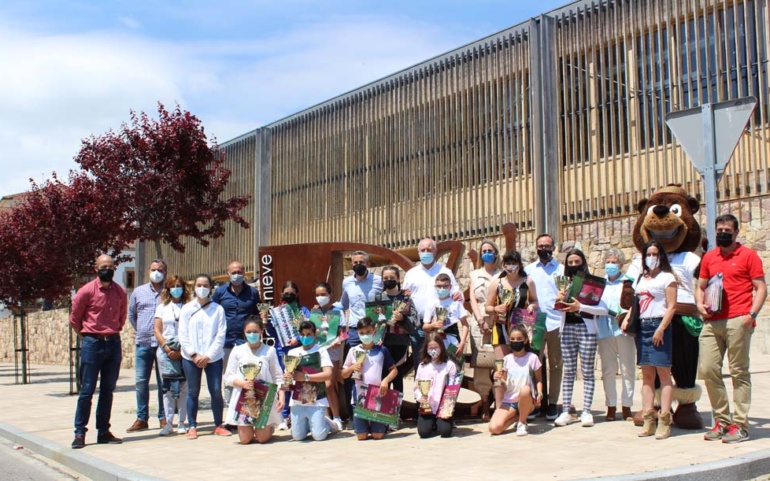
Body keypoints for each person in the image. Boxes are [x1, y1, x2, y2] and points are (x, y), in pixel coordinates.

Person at [696, 214, 767, 444]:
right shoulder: (709, 257)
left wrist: (751, 315)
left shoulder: (748, 256)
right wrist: (699, 304)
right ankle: (722, 421)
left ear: (736, 233)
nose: (722, 233)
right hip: (712, 321)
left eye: (727, 230)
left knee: (739, 372)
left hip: (738, 320)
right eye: (719, 230)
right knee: (708, 369)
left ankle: (741, 424)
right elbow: (701, 286)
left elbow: (761, 288)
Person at [70, 254, 127, 449]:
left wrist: (110, 333)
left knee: (107, 391)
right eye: (104, 266)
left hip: (113, 343)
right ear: (96, 268)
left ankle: (103, 431)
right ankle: (79, 433)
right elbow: (74, 319)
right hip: (92, 344)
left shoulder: (120, 292)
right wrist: (87, 337)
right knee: (86, 390)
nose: (107, 269)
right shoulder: (85, 291)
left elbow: (122, 317)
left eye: (110, 266)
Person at [622, 241, 677, 439]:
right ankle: (648, 419)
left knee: (663, 373)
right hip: (643, 326)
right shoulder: (641, 278)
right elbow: (636, 303)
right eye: (649, 254)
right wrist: (628, 317)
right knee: (646, 375)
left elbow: (671, 306)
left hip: (659, 324)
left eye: (655, 253)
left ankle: (664, 419)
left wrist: (661, 328)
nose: (652, 257)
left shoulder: (667, 278)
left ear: (661, 256)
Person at [554, 248, 605, 428]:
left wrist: (580, 307)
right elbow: (556, 308)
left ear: (583, 262)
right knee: (568, 371)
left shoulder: (592, 283)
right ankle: (566, 410)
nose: (574, 265)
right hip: (567, 329)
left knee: (588, 371)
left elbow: (603, 309)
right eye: (571, 263)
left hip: (586, 329)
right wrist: (559, 301)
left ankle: (587, 411)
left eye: (577, 262)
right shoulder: (563, 283)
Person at [485, 250, 539, 412]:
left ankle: (525, 405)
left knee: (523, 368)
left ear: (520, 265)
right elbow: (487, 307)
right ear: (503, 265)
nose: (511, 267)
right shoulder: (497, 282)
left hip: (521, 330)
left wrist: (531, 306)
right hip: (501, 328)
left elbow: (535, 301)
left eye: (514, 263)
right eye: (508, 263)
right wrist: (495, 308)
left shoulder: (527, 281)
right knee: (501, 369)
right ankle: (500, 407)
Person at [178, 274, 230, 439]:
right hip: (190, 357)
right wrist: (194, 354)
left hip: (213, 358)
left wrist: (207, 356)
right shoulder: (187, 309)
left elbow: (220, 335)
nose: (202, 288)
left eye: (205, 285)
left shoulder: (218, 309)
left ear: (211, 287)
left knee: (215, 390)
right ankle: (192, 426)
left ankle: (218, 425)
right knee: (193, 391)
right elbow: (183, 334)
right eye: (199, 285)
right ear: (194, 288)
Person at [402, 238, 463, 373]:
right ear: (418, 252)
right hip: (419, 326)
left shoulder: (445, 271)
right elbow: (404, 298)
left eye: (429, 249)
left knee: (447, 364)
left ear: (435, 252)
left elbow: (457, 295)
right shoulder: (412, 274)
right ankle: (422, 393)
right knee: (422, 364)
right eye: (422, 250)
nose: (426, 252)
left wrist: (459, 295)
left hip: (444, 327)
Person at [224, 317, 284, 444]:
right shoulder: (237, 350)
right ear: (244, 333)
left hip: (263, 397)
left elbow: (278, 376)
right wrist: (242, 383)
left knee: (262, 439)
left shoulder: (270, 351)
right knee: (245, 440)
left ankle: (268, 428)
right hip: (244, 398)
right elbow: (228, 377)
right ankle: (248, 427)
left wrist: (281, 395)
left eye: (255, 331)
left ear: (261, 332)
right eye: (249, 332)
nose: (252, 334)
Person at [524, 233, 564, 420]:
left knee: (556, 364)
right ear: (536, 247)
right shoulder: (529, 270)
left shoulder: (562, 270)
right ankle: (534, 403)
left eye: (547, 246)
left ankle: (553, 403)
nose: (543, 249)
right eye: (540, 246)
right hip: (536, 324)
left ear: (554, 247)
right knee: (532, 365)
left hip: (557, 322)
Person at [339, 251, 383, 416]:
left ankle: (378, 408)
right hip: (355, 332)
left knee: (375, 369)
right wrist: (324, 310)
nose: (358, 264)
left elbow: (386, 302)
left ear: (368, 264)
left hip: (374, 331)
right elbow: (343, 304)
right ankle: (353, 412)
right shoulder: (347, 282)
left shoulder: (378, 281)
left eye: (361, 262)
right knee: (353, 371)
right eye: (355, 262)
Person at [212, 261, 261, 405]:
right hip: (225, 341)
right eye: (233, 272)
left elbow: (257, 314)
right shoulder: (220, 292)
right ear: (228, 274)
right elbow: (212, 312)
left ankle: (247, 406)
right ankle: (230, 407)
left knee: (248, 375)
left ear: (244, 273)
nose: (236, 275)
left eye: (239, 272)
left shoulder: (252, 292)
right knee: (229, 375)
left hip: (245, 341)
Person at [127, 259, 168, 433]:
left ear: (165, 272)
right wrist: (142, 330)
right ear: (148, 271)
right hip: (143, 343)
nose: (156, 272)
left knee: (163, 382)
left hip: (163, 344)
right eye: (153, 269)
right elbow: (131, 315)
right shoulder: (138, 292)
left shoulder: (170, 292)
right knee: (141, 381)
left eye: (160, 269)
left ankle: (164, 416)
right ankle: (142, 418)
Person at [341, 317, 398, 440]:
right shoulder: (353, 350)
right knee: (361, 436)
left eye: (368, 332)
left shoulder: (382, 350)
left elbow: (394, 370)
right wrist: (352, 368)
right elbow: (343, 374)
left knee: (377, 436)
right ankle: (365, 424)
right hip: (359, 397)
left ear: (374, 331)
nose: (365, 335)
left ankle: (382, 424)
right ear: (357, 333)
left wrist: (386, 380)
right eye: (361, 333)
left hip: (377, 397)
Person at [263, 280, 310, 430]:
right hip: (282, 350)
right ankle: (284, 414)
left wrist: (298, 338)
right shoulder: (277, 311)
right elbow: (271, 332)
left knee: (300, 381)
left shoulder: (302, 311)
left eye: (291, 293)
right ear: (281, 294)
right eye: (286, 293)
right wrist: (265, 321)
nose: (288, 295)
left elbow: (308, 329)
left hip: (299, 350)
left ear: (297, 294)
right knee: (285, 381)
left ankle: (302, 412)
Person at [596, 248, 636, 422]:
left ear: (621, 264)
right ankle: (611, 406)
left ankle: (627, 405)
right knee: (608, 369)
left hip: (623, 329)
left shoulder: (627, 283)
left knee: (628, 368)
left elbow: (633, 303)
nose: (610, 265)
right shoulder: (600, 283)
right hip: (604, 329)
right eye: (608, 261)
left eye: (614, 262)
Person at [488, 324, 543, 436]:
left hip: (527, 398)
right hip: (509, 400)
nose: (515, 341)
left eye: (519, 339)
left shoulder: (533, 358)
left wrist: (540, 393)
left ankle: (522, 423)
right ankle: (517, 418)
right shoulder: (506, 360)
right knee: (494, 428)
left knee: (525, 390)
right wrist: (497, 378)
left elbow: (538, 379)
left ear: (525, 340)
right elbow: (503, 382)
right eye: (512, 339)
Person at [469, 239, 503, 421]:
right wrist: (481, 320)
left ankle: (499, 402)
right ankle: (484, 403)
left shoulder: (502, 274)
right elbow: (473, 299)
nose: (487, 253)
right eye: (484, 250)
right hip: (480, 318)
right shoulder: (475, 274)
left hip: (499, 318)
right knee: (482, 362)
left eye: (490, 250)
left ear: (496, 253)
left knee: (499, 361)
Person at [284, 321, 335, 441]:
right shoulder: (292, 353)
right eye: (302, 335)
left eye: (308, 334)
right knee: (298, 437)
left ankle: (328, 423)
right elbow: (288, 377)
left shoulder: (321, 351)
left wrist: (306, 377)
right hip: (297, 401)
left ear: (314, 335)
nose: (305, 337)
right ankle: (308, 425)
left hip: (316, 400)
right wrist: (287, 376)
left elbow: (328, 374)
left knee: (319, 436)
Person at [153, 275, 191, 436]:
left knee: (184, 388)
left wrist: (181, 350)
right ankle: (168, 422)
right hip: (165, 351)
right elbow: (157, 329)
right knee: (167, 388)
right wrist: (167, 348)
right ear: (168, 289)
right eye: (173, 286)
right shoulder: (162, 307)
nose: (176, 289)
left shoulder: (189, 307)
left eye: (179, 285)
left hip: (184, 351)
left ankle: (182, 421)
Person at [379, 266, 418, 393]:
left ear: (398, 278)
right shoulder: (378, 299)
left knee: (397, 378)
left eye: (392, 277)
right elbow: (370, 321)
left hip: (400, 343)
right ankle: (381, 410)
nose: (388, 280)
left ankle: (396, 410)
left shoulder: (405, 298)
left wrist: (402, 318)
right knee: (383, 377)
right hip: (382, 344)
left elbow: (415, 322)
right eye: (385, 278)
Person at [313, 282, 345, 431]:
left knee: (330, 385)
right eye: (318, 295)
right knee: (321, 386)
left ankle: (337, 417)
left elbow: (345, 333)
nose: (320, 297)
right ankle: (325, 417)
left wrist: (338, 341)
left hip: (332, 352)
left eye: (323, 294)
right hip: (317, 352)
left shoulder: (338, 311)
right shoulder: (314, 312)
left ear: (330, 295)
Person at [414, 332, 458, 438]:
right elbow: (416, 387)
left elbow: (453, 387)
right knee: (423, 433)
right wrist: (421, 397)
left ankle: (442, 422)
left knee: (445, 432)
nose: (433, 350)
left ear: (441, 347)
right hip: (427, 406)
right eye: (431, 348)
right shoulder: (422, 365)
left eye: (436, 347)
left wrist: (448, 404)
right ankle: (431, 423)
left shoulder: (449, 365)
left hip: (443, 406)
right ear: (426, 348)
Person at [424, 273, 470, 369]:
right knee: (437, 368)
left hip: (452, 338)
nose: (442, 289)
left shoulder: (456, 303)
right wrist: (434, 324)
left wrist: (462, 343)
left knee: (455, 367)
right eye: (439, 286)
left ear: (450, 287)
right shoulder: (431, 304)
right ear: (435, 287)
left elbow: (465, 324)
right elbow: (425, 327)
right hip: (436, 339)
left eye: (445, 286)